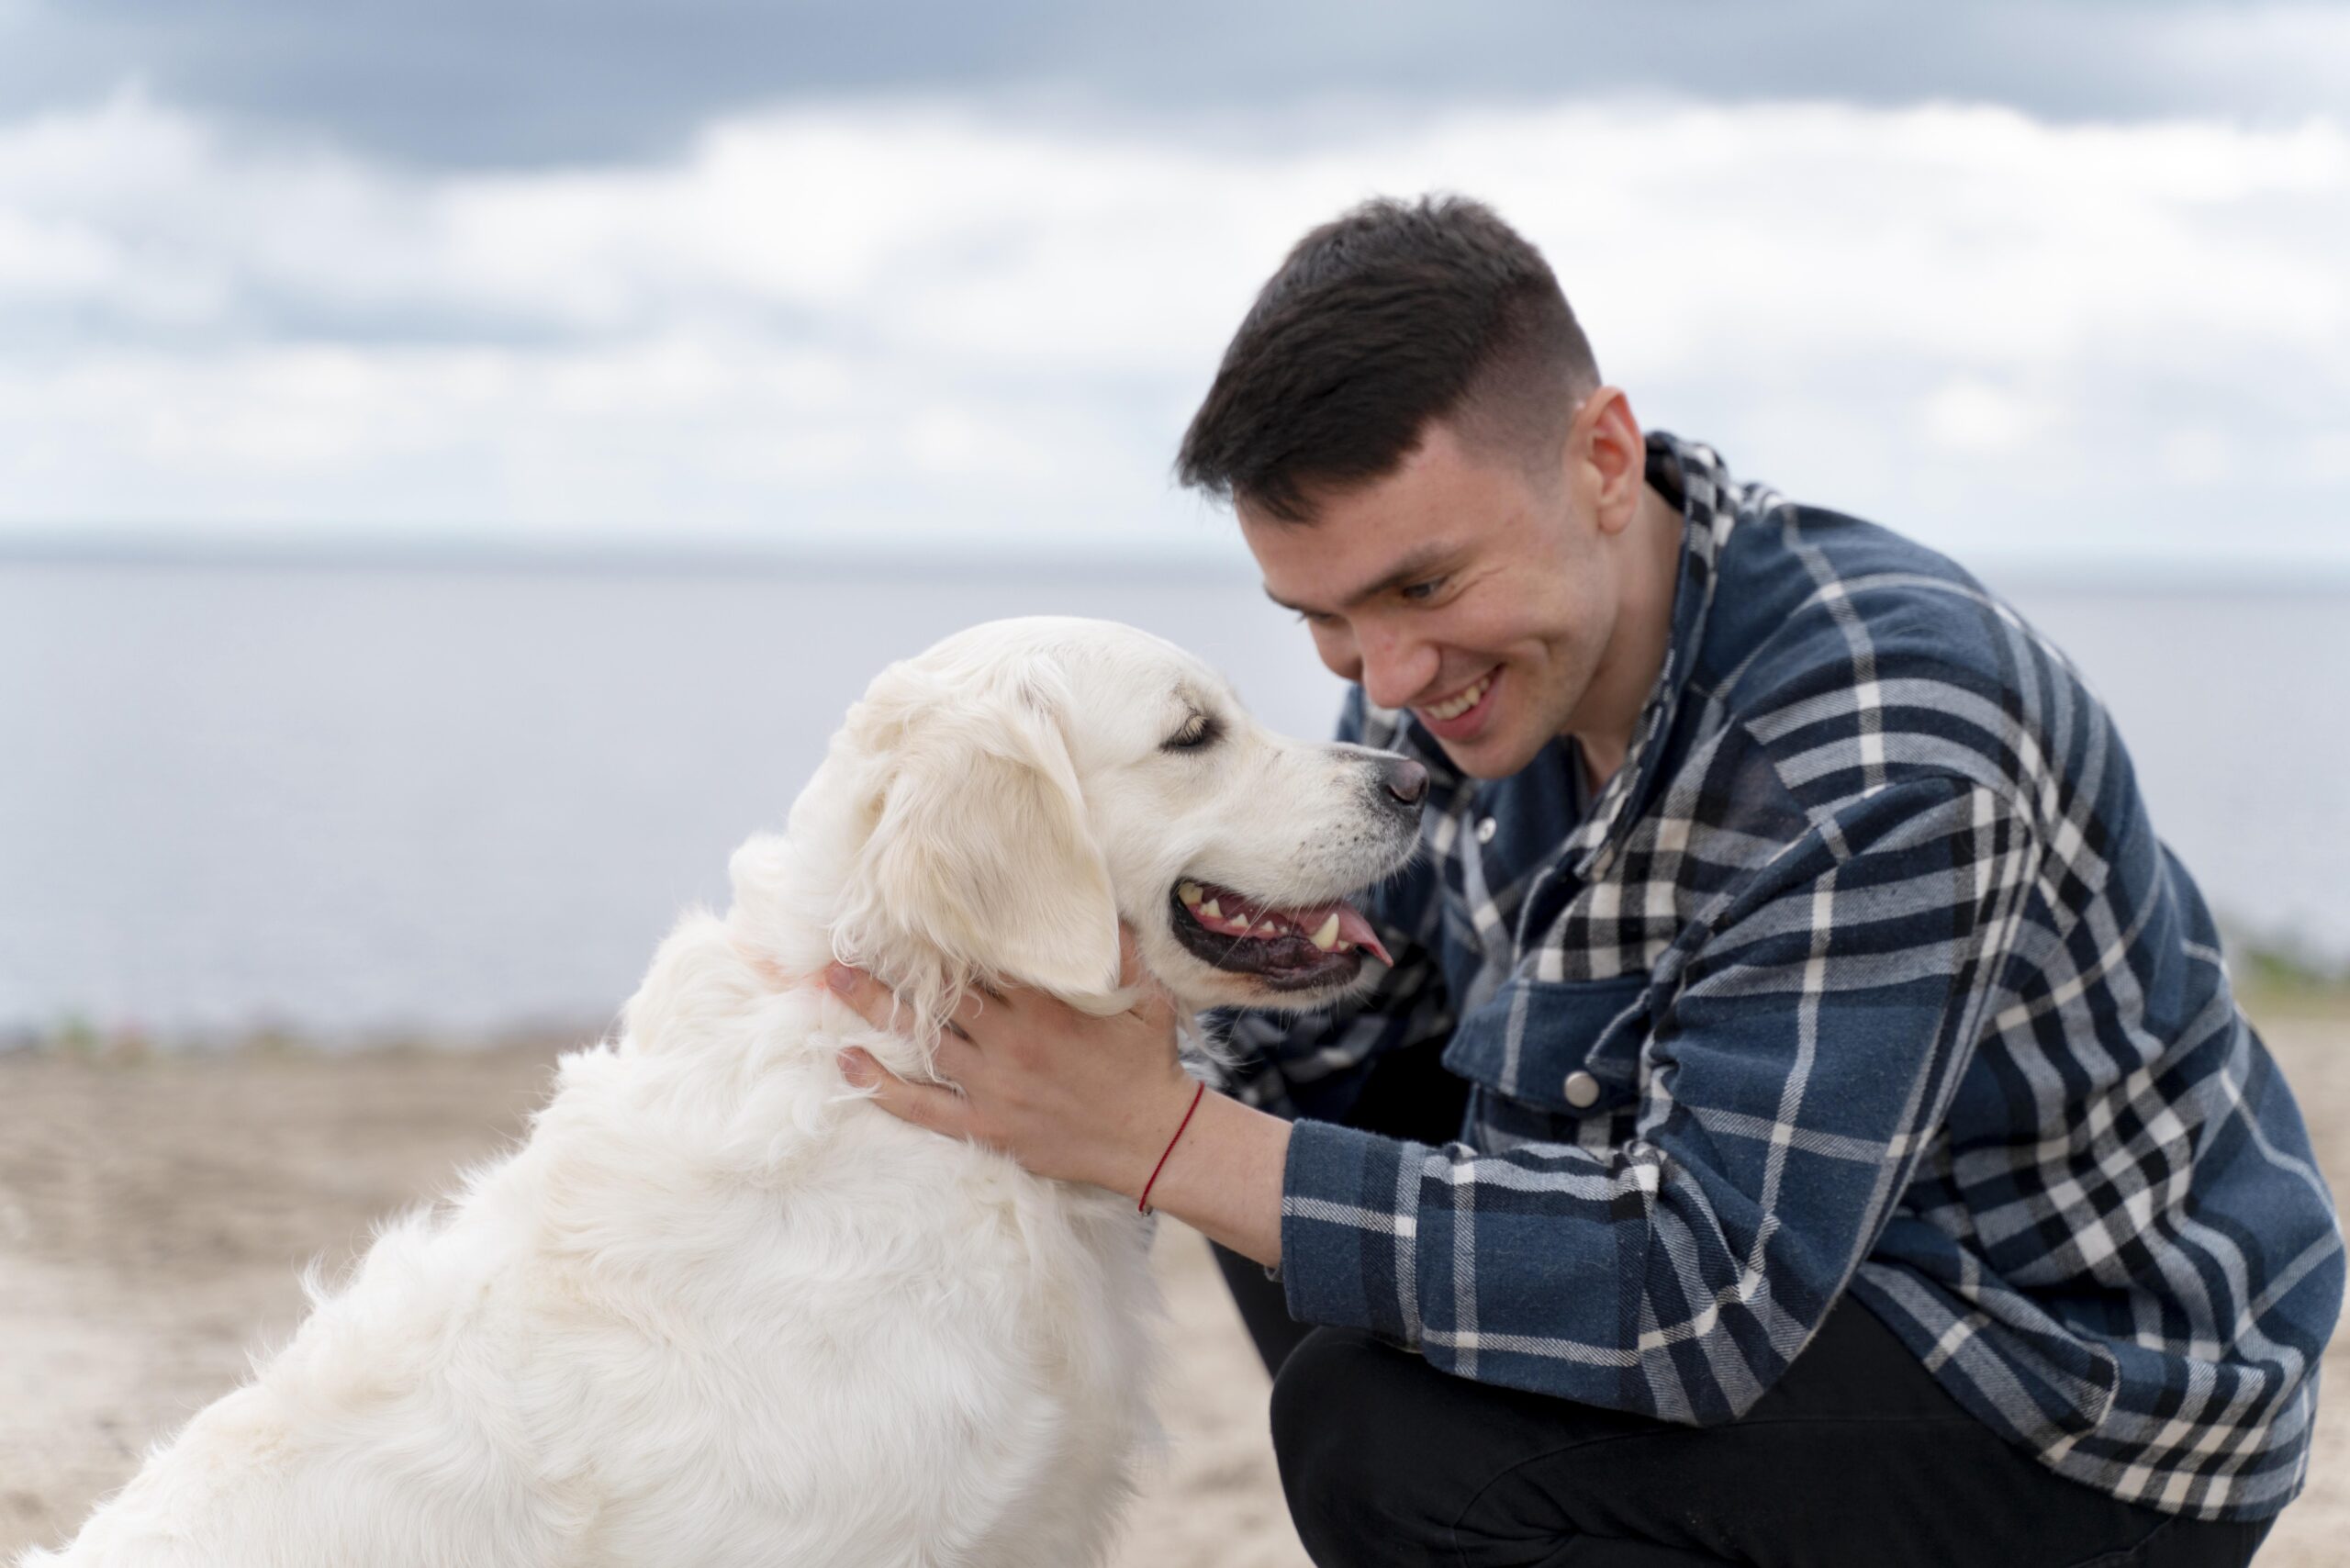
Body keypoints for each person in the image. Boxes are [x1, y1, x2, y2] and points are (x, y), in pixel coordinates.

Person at [826, 195, 2340, 1566]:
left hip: (2072, 1403)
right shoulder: (1470, 680)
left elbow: (1709, 1293)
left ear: (1604, 460)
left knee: (1373, 1418)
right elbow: (1333, 1051)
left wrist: (1159, 1141)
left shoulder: (1879, 736)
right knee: (1298, 1142)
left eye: (1423, 586)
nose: (1391, 676)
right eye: (1325, 619)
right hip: (1812, 1297)